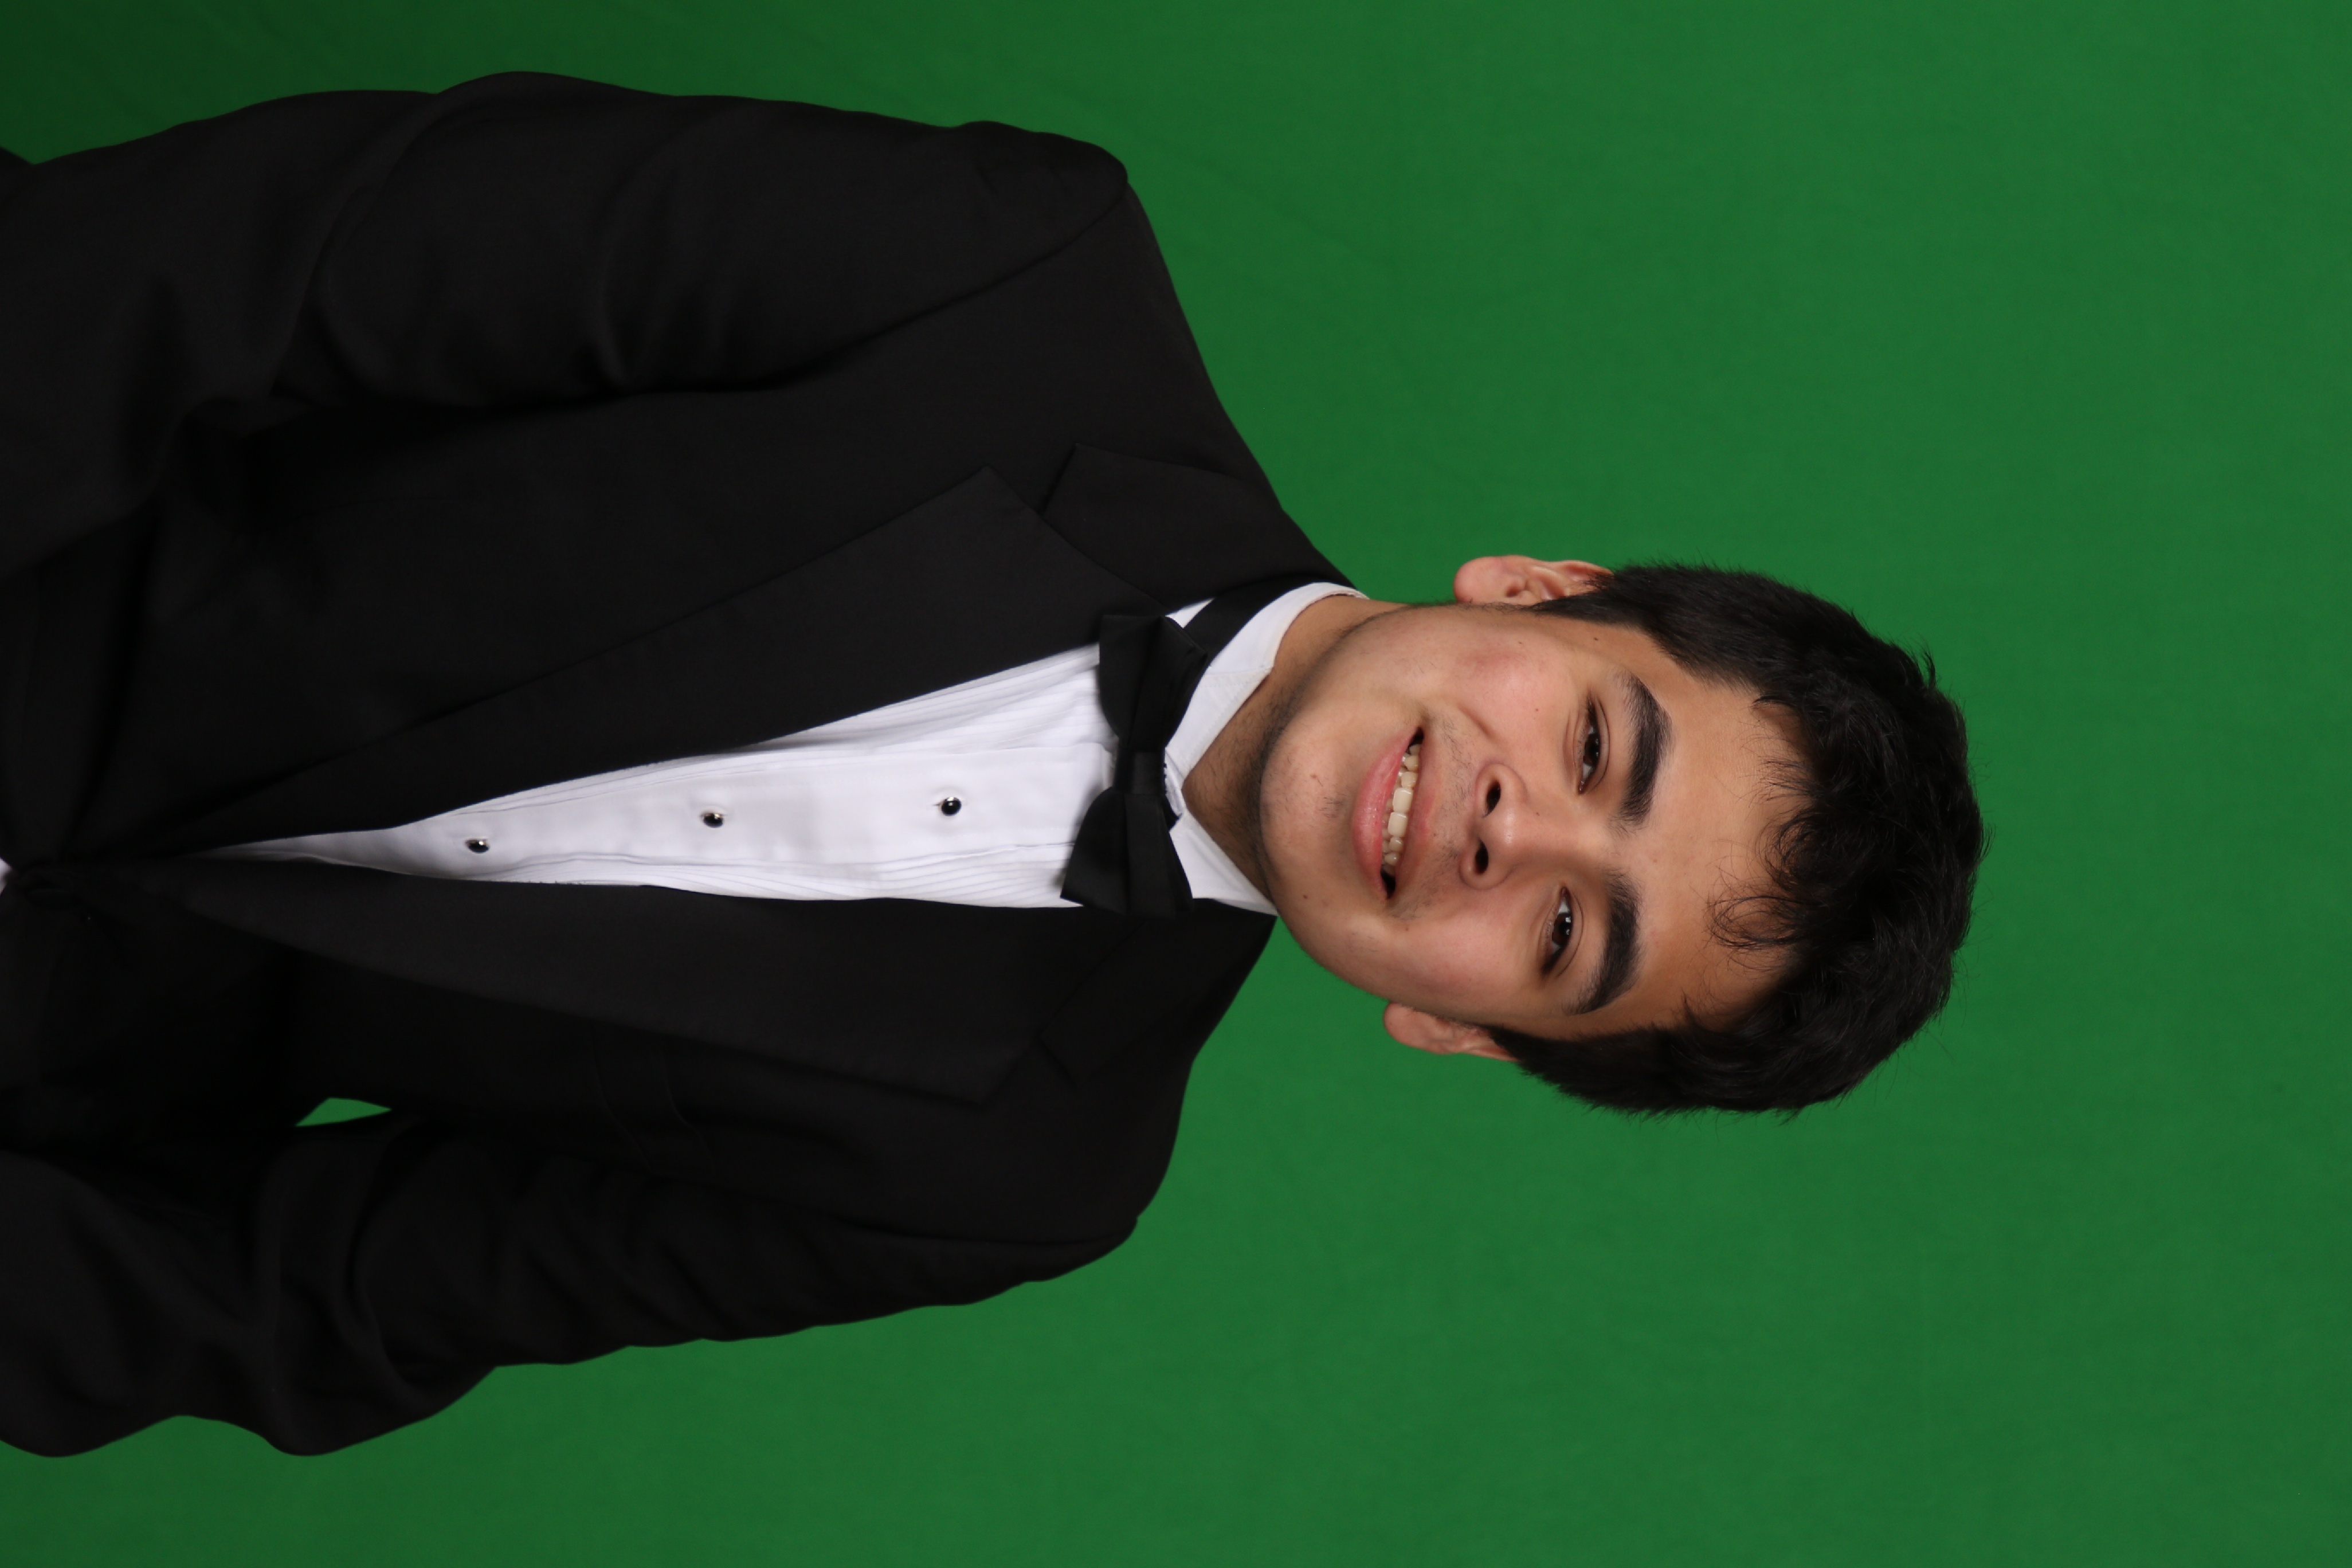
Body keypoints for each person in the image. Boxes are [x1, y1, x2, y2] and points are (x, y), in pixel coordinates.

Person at [0, 73, 1983, 1456]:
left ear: (1461, 1031)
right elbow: (250, 257)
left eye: (1567, 935)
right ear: (1540, 587)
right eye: (1598, 744)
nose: (1509, 829)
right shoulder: (1006, 278)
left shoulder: (1014, 1179)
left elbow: (304, 1295)